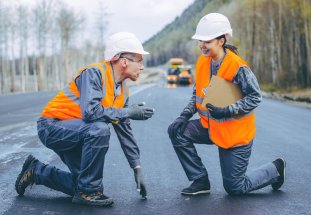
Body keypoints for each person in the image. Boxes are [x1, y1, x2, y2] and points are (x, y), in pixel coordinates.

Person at [15, 32, 155, 206]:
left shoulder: (123, 91)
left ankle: (36, 171)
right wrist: (128, 112)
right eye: (140, 60)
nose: (142, 67)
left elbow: (124, 130)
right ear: (124, 61)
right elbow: (91, 113)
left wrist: (137, 168)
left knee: (84, 183)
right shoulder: (95, 73)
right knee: (100, 129)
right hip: (52, 127)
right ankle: (87, 192)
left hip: (78, 132)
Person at [168, 13, 286, 196]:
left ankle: (276, 169)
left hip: (234, 133)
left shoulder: (237, 66)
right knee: (176, 131)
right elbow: (196, 95)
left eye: (207, 41)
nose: (202, 45)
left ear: (221, 40)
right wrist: (184, 116)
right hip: (210, 126)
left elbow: (255, 97)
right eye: (200, 40)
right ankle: (200, 181)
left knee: (235, 187)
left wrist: (226, 111)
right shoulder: (202, 63)